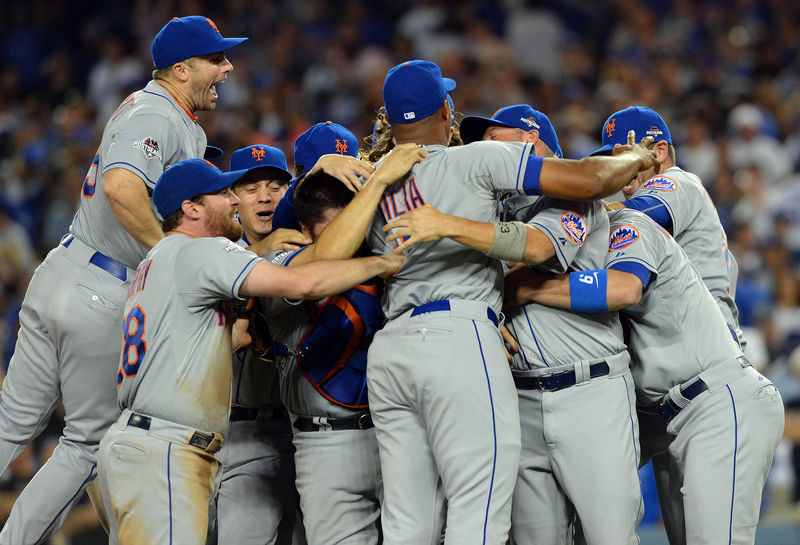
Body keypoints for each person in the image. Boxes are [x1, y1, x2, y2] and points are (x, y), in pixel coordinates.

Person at [363, 59, 658, 544]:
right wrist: (638, 159)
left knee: (408, 521)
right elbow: (586, 181)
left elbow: (556, 224)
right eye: (491, 137)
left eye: (512, 137)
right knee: (478, 506)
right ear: (446, 110)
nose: (498, 144)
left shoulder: (372, 181)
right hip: (466, 346)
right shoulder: (473, 166)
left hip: (406, 347)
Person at [0, 16, 247, 544]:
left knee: (10, 425)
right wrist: (169, 255)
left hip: (65, 268)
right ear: (181, 69)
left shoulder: (171, 117)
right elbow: (119, 186)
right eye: (216, 59)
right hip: (102, 289)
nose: (227, 67)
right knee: (86, 444)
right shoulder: (155, 110)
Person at [94, 158, 403, 545]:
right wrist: (382, 262)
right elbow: (302, 284)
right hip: (165, 450)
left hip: (138, 444)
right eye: (223, 194)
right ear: (191, 208)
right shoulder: (200, 252)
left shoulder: (155, 261)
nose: (233, 201)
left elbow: (231, 336)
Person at [504, 206, 785, 545]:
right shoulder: (578, 253)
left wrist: (532, 288)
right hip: (668, 416)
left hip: (717, 401)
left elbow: (624, 288)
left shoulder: (626, 227)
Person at [263, 144, 424, 545]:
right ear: (302, 230)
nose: (351, 241)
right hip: (325, 442)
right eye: (340, 229)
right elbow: (324, 258)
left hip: (395, 431)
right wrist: (310, 173)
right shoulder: (280, 263)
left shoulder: (390, 249)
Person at [208, 144, 299, 545]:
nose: (265, 196)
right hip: (207, 430)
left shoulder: (308, 251)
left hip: (276, 431)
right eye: (251, 188)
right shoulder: (208, 253)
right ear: (233, 200)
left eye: (276, 185)